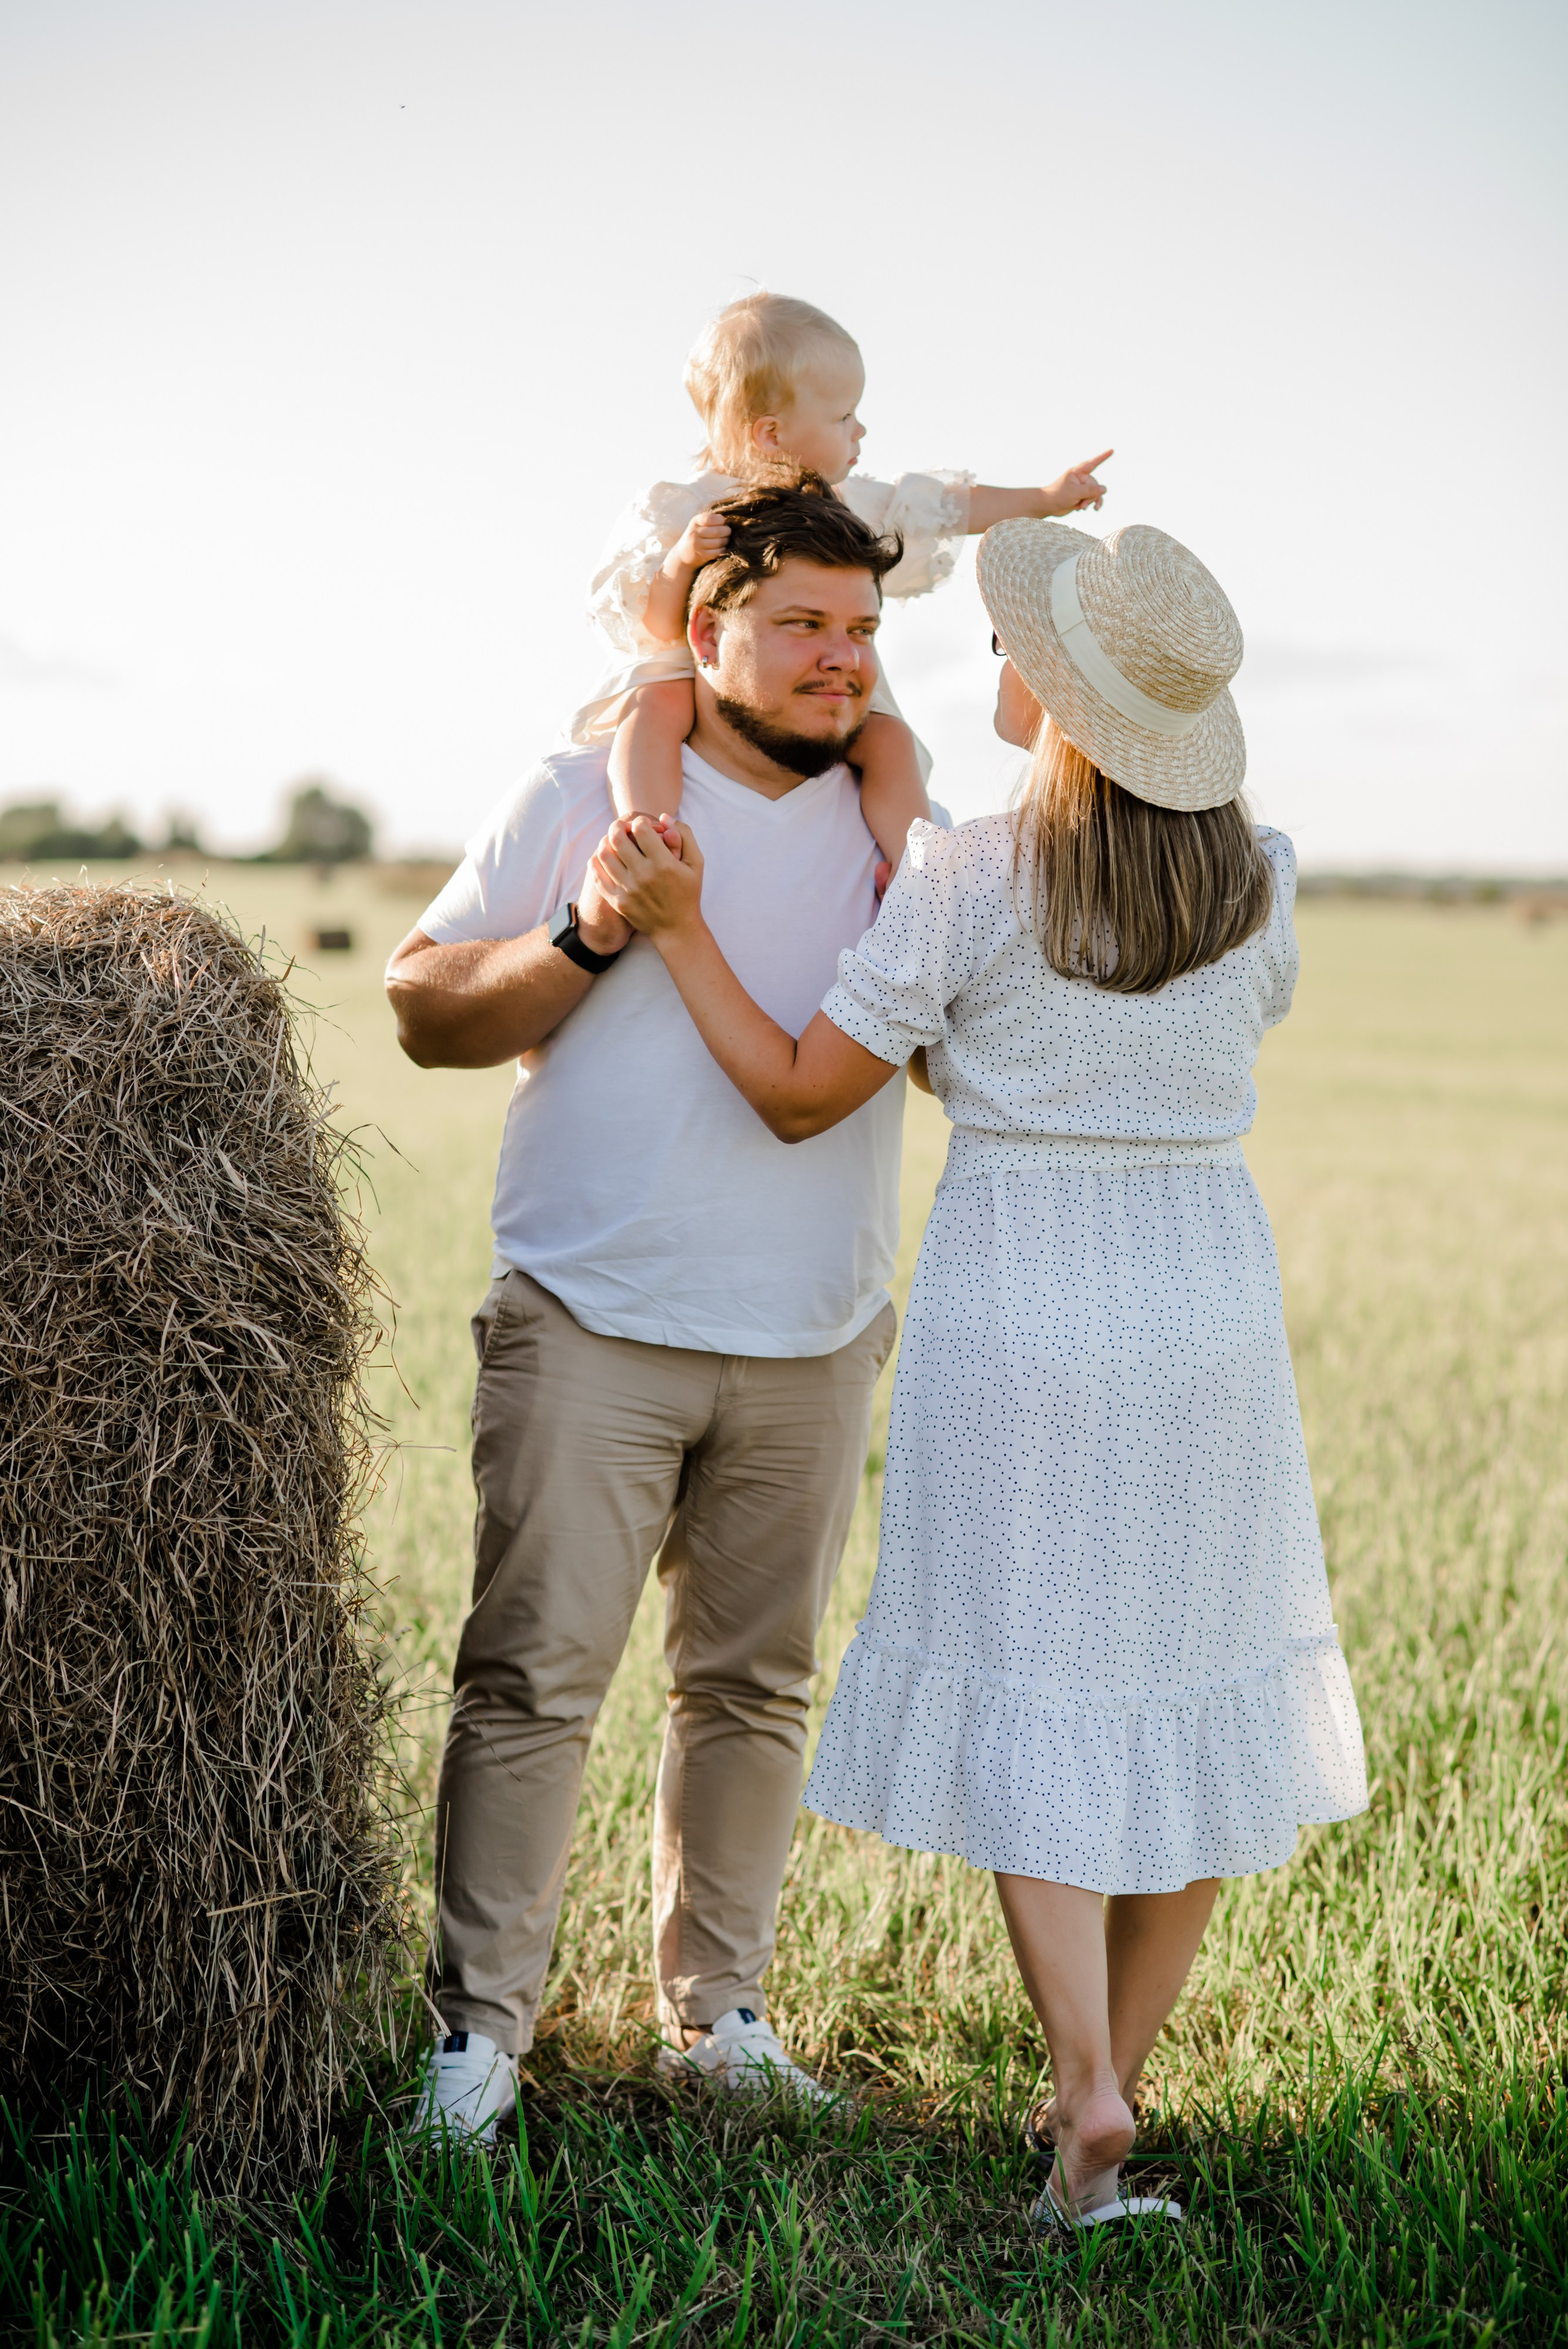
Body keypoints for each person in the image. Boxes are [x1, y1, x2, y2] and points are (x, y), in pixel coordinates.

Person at [591, 516, 1370, 2233]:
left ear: (1070, 702)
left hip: (1025, 1303)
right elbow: (1100, 1058)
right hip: (1206, 1315)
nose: (1000, 666)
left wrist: (677, 932)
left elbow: (807, 1089)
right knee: (1188, 1682)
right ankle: (1110, 2104)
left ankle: (1085, 2085)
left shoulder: (973, 875)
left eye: (1027, 654)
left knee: (1043, 1690)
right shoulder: (1266, 876)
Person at [385, 478, 926, 2144]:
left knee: (755, 1688)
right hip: (592, 1317)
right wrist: (587, 929)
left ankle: (722, 2017)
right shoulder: (580, 788)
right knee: (534, 1678)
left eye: (862, 631)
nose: (840, 661)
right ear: (710, 633)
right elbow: (421, 1006)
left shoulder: (906, 831)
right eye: (803, 626)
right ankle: (480, 2038)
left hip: (815, 1337)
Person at [576, 288, 1112, 867]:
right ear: (771, 434)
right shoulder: (685, 509)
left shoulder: (849, 501)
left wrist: (1046, 498)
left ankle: (925, 875)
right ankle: (650, 836)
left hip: (813, 680)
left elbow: (951, 508)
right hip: (697, 662)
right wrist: (682, 559)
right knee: (651, 706)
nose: (861, 431)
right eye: (843, 416)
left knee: (889, 740)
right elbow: (654, 628)